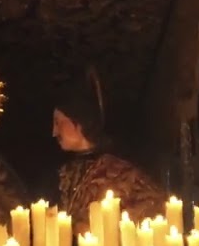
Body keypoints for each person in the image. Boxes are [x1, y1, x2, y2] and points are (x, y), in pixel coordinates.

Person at [52, 68, 165, 232]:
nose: (54, 132)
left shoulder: (119, 172)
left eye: (58, 122)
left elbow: (153, 208)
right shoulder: (64, 173)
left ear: (79, 119)